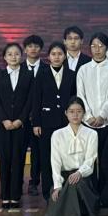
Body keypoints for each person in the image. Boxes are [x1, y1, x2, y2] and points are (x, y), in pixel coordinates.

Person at [31, 41, 77, 201]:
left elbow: (74, 99)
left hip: (66, 123)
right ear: (48, 56)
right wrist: (36, 123)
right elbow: (36, 100)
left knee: (66, 158)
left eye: (60, 54)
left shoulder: (72, 74)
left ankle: (66, 192)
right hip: (46, 124)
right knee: (46, 158)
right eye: (53, 54)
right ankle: (48, 193)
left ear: (65, 56)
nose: (57, 57)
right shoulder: (41, 74)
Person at [44, 97, 100, 216]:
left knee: (75, 183)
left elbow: (90, 160)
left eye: (79, 111)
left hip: (83, 177)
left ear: (84, 113)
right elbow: (55, 162)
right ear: (66, 113)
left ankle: (71, 215)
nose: (75, 115)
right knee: (60, 190)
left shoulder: (92, 134)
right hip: (64, 178)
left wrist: (79, 173)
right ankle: (75, 215)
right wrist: (57, 185)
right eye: (71, 111)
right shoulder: (57, 134)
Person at [0, 42, 35, 209]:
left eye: (16, 53)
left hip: (20, 125)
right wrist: (4, 119)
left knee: (18, 159)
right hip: (2, 125)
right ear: (4, 57)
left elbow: (30, 100)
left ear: (21, 56)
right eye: (9, 54)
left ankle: (16, 195)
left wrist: (20, 120)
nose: (13, 57)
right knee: (4, 160)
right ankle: (5, 195)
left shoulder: (28, 75)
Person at [75, 32, 108, 153]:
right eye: (94, 46)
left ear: (107, 47)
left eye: (101, 46)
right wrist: (88, 116)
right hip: (87, 121)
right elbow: (80, 95)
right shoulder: (83, 69)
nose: (97, 49)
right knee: (88, 155)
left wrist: (102, 116)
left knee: (107, 154)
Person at [22, 34, 45, 197]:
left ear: (41, 49)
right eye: (30, 46)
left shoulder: (47, 69)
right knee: (19, 152)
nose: (33, 49)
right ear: (25, 49)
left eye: (36, 46)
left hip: (40, 119)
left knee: (37, 153)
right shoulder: (17, 67)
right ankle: (16, 182)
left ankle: (34, 182)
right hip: (20, 119)